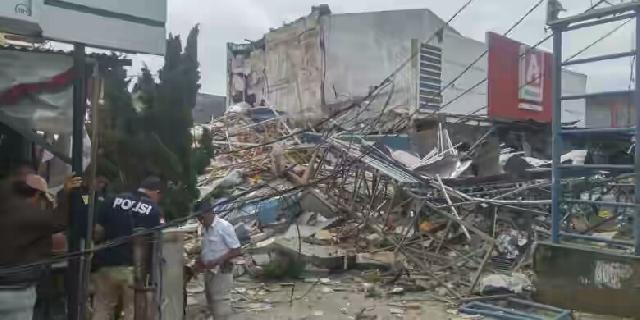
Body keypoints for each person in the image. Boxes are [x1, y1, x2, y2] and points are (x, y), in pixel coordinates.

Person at [0, 172, 81, 320]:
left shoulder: (7, 209)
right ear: (37, 195)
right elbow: (59, 221)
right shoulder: (29, 215)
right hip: (16, 291)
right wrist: (64, 193)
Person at [91, 176, 163, 320]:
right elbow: (155, 244)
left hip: (106, 266)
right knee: (133, 312)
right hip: (133, 270)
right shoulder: (153, 210)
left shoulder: (111, 200)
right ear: (157, 192)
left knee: (102, 309)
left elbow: (97, 232)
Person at [196, 200, 242, 320]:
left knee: (220, 303)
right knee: (211, 301)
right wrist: (200, 261)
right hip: (209, 271)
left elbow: (236, 249)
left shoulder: (224, 226)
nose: (201, 221)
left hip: (221, 270)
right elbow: (208, 248)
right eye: (198, 218)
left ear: (210, 213)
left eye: (202, 217)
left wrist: (217, 261)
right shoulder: (206, 228)